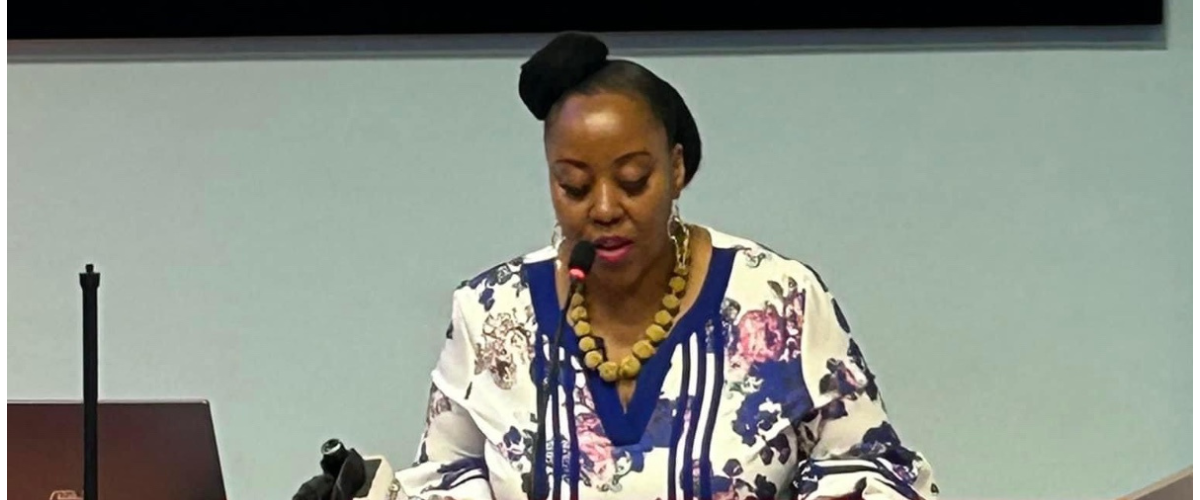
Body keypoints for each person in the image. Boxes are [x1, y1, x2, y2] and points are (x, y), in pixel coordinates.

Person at [391, 32, 937, 500]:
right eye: (574, 187)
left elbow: (875, 471)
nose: (605, 209)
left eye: (633, 181)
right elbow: (441, 479)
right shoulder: (489, 314)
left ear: (677, 169)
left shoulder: (780, 300)